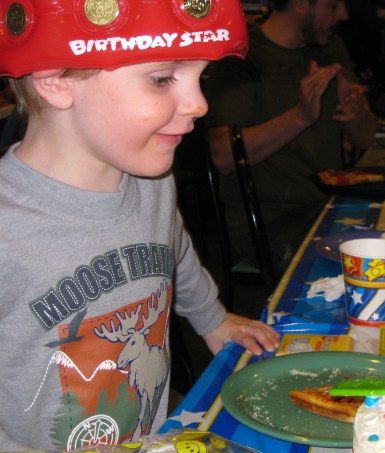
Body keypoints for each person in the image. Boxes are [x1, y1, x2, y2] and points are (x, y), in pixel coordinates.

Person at [0, 0, 280, 450]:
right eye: (163, 78)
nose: (200, 104)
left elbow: (175, 250)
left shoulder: (154, 183)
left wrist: (213, 320)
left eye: (201, 78)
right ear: (56, 79)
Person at [203, 0, 377, 274]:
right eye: (333, 5)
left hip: (331, 206)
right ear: (299, 4)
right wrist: (300, 117)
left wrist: (355, 114)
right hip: (268, 220)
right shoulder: (240, 55)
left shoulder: (331, 47)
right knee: (360, 266)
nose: (343, 15)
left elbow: (364, 139)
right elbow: (223, 156)